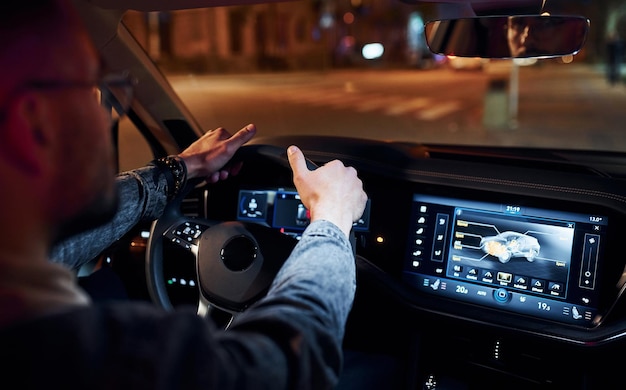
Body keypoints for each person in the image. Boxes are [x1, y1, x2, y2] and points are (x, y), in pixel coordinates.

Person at [0, 1, 368, 389]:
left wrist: (183, 169)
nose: (110, 112)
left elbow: (68, 241)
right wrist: (331, 221)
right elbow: (289, 361)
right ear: (35, 123)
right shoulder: (86, 353)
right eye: (96, 89)